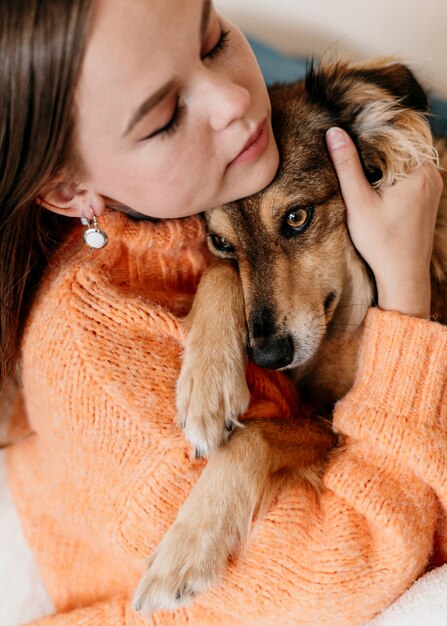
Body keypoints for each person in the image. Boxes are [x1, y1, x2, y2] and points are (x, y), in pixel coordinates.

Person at [0, 0, 446, 624]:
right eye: (162, 116)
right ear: (74, 190)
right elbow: (341, 572)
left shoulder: (211, 172)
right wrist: (405, 299)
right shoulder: (99, 359)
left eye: (211, 40)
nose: (235, 100)